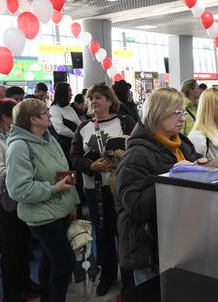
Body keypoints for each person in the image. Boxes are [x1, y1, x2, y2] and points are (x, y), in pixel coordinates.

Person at [115, 87, 202, 285]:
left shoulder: (182, 144)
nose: (182, 118)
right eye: (176, 113)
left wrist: (200, 169)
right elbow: (135, 206)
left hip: (178, 240)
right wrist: (173, 176)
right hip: (150, 248)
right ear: (157, 114)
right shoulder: (136, 155)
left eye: (183, 112)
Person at [6, 98, 79, 302]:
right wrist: (53, 189)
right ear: (33, 119)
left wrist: (72, 201)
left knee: (50, 260)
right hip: (42, 216)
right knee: (64, 262)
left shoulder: (48, 137)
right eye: (45, 111)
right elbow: (18, 189)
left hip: (59, 211)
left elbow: (62, 172)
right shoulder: (19, 146)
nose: (49, 114)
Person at [70, 83, 136, 296]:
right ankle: (107, 276)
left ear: (110, 100)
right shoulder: (83, 127)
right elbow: (74, 157)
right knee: (103, 233)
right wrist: (91, 166)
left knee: (124, 232)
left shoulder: (124, 122)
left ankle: (129, 278)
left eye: (99, 97)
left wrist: (121, 160)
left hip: (121, 187)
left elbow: (137, 148)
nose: (95, 101)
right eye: (92, 98)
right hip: (95, 189)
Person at [0, 98, 39, 302]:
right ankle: (11, 292)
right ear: (5, 117)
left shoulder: (9, 134)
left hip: (19, 196)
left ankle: (24, 281)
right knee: (11, 248)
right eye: (13, 115)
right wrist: (24, 170)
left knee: (24, 245)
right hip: (4, 200)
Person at [49, 82, 81, 162]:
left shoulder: (70, 108)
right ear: (63, 93)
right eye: (69, 92)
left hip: (76, 143)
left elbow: (80, 124)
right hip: (65, 146)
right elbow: (60, 129)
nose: (72, 94)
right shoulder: (54, 109)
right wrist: (76, 137)